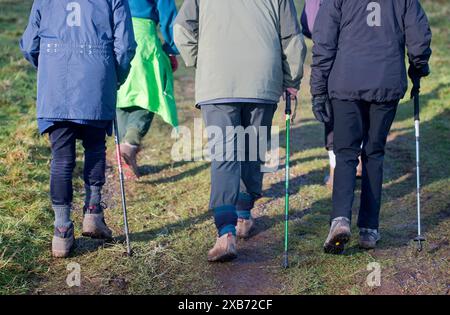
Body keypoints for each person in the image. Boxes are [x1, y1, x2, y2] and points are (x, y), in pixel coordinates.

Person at [174, 0, 307, 262]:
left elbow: (181, 28)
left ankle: (226, 232)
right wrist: (292, 80)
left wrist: (200, 58)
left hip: (217, 78)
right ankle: (244, 214)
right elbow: (292, 37)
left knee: (224, 155)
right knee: (253, 148)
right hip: (263, 76)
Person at [310, 0, 431, 253]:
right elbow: (419, 36)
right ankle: (369, 229)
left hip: (346, 82)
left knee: (345, 154)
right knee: (374, 153)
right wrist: (418, 67)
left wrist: (318, 90)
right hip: (386, 81)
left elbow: (324, 41)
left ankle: (340, 219)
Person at [20, 0, 136, 258]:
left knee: (61, 158)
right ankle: (93, 212)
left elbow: (29, 45)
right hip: (96, 77)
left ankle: (61, 230)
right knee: (95, 146)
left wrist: (49, 65)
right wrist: (115, 75)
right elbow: (125, 45)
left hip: (56, 82)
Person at [301, 0, 362, 188]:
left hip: (333, 52)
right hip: (365, 48)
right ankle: (360, 159)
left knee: (333, 110)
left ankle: (336, 170)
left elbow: (310, 23)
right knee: (364, 105)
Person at [116, 0, 180, 179]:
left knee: (119, 93)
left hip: (114, 34)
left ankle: (124, 149)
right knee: (148, 94)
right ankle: (129, 143)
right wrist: (171, 47)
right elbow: (168, 14)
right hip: (144, 38)